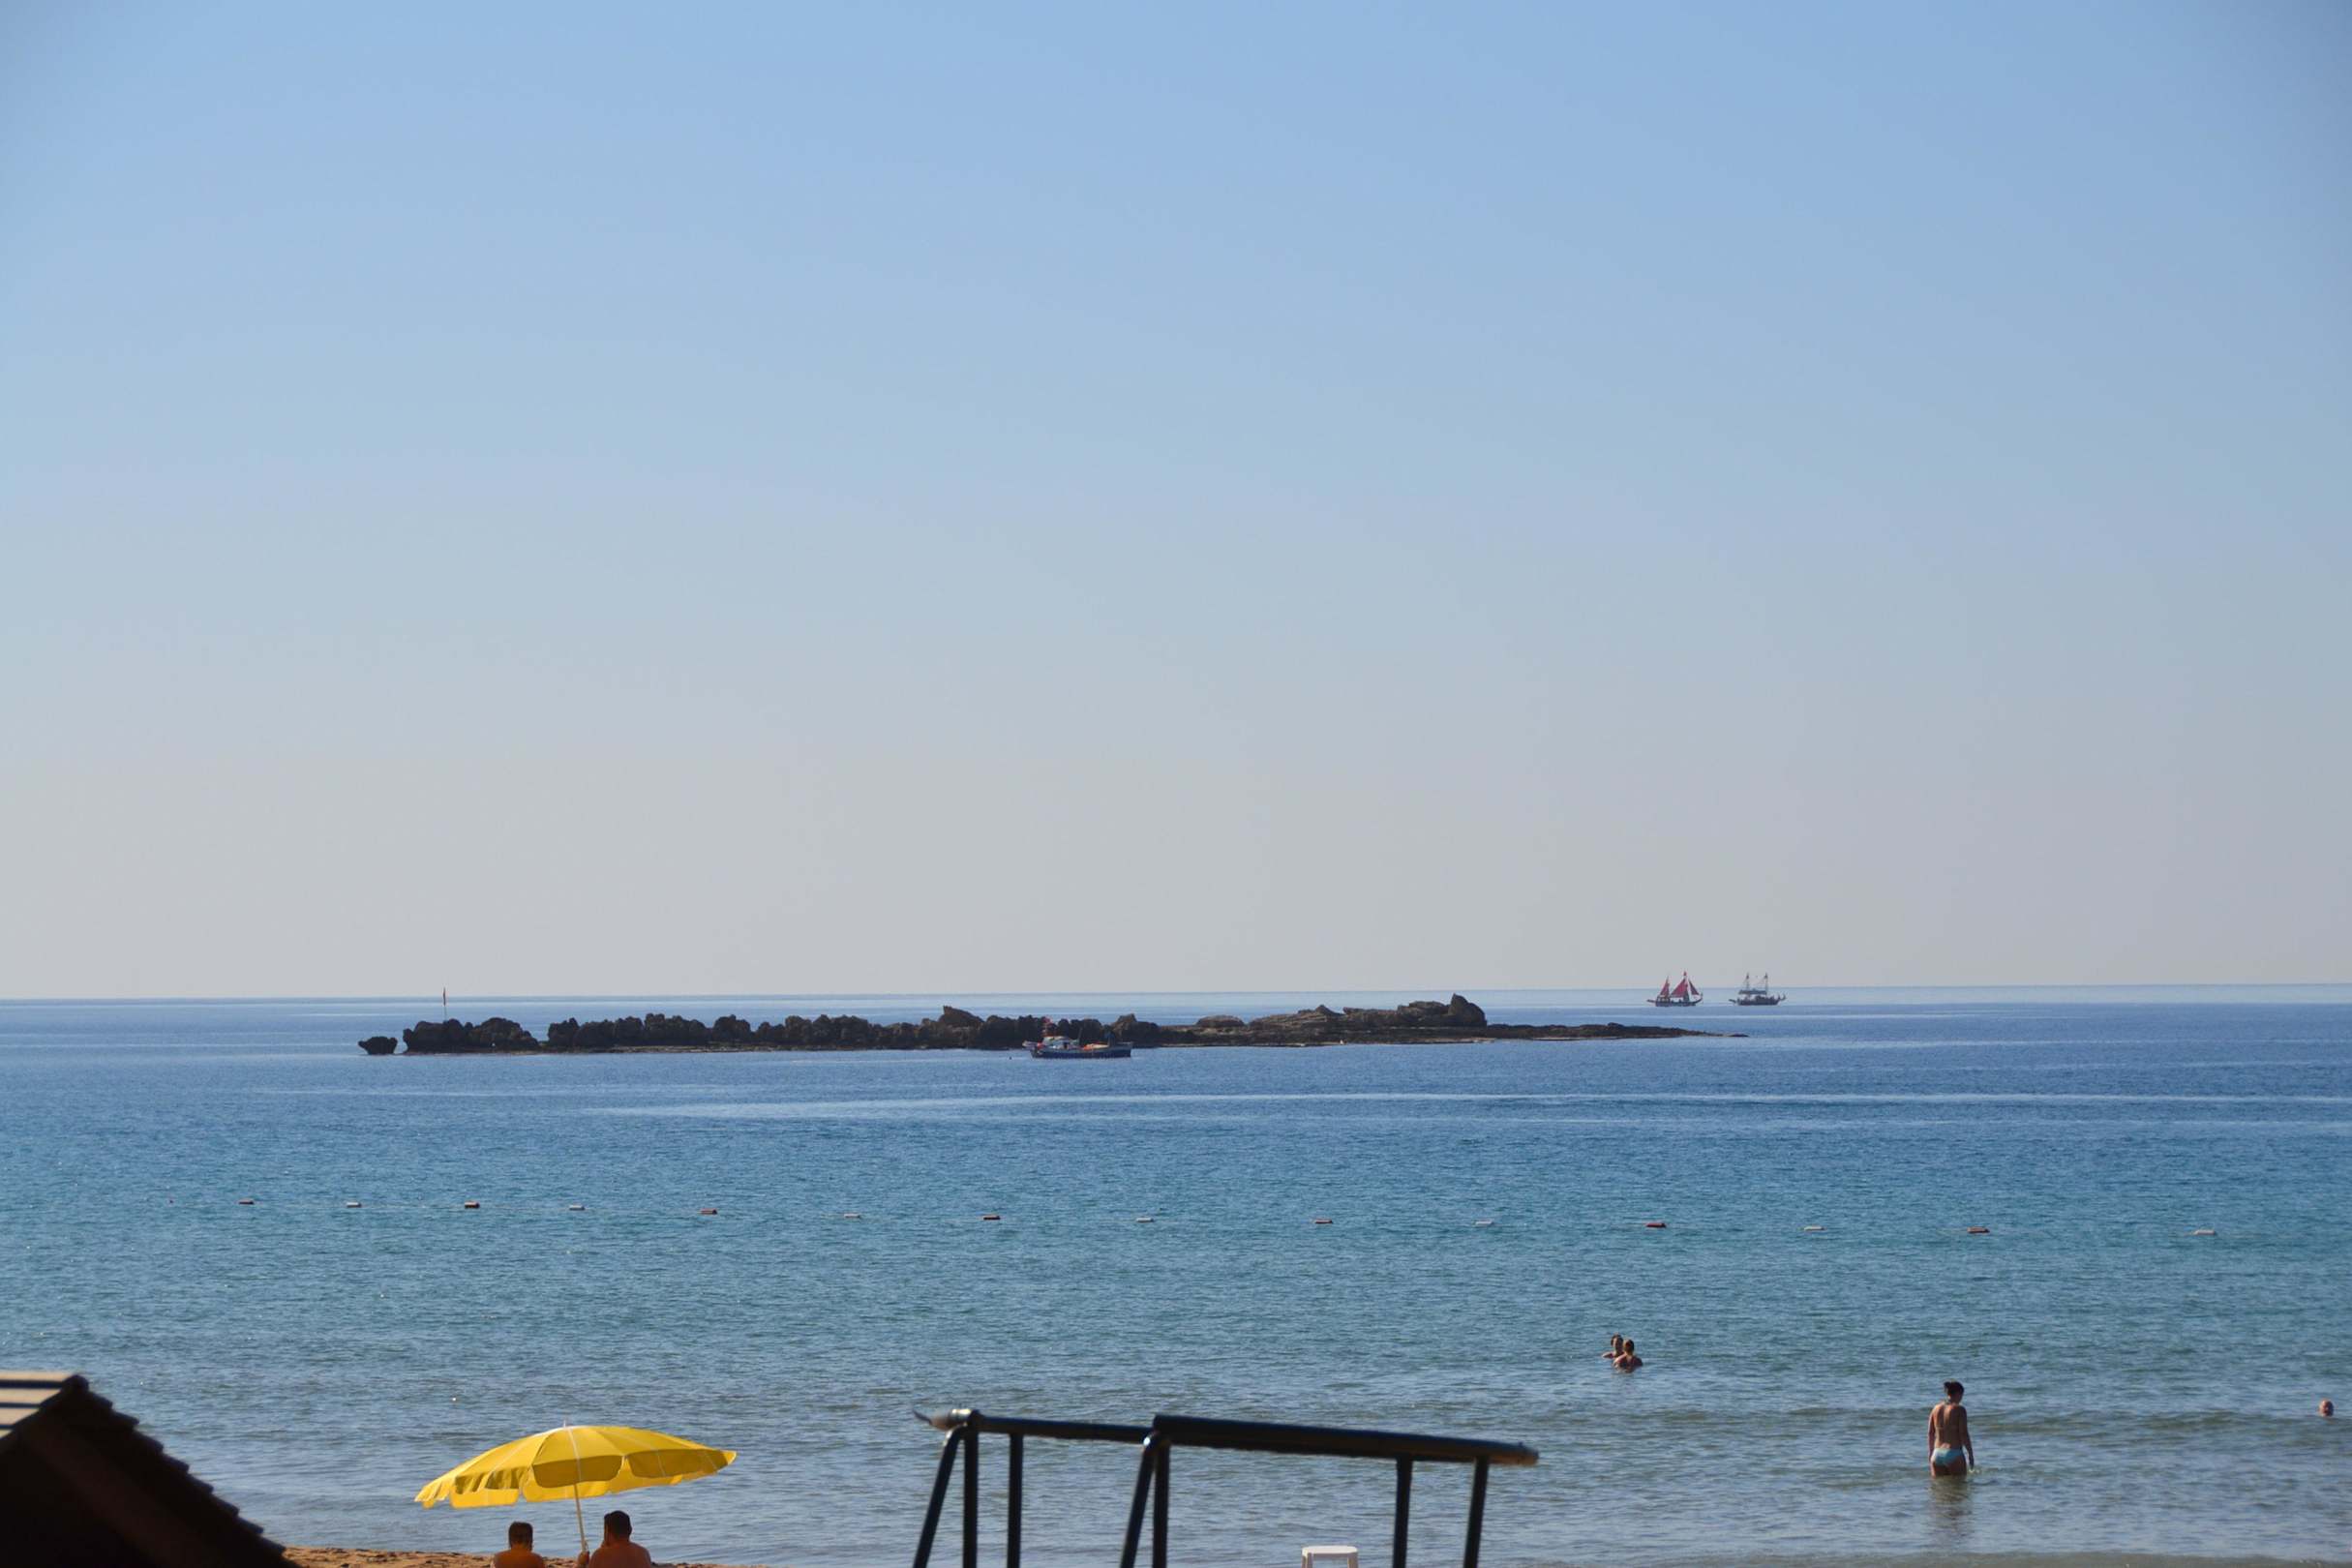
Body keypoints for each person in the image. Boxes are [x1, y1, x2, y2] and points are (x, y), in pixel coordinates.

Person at [579, 1509, 654, 1568]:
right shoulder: (644, 1553)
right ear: (630, 1530)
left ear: (607, 1532)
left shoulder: (600, 1556)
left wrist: (581, 1564)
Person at [1929, 1380, 1975, 1476]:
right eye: (1962, 1395)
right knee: (1960, 1485)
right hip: (1954, 1453)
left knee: (1939, 1485)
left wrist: (1930, 1453)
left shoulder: (1935, 1408)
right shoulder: (1959, 1409)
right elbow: (1963, 1433)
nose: (1961, 1398)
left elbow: (1930, 1433)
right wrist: (1970, 1454)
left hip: (1937, 1453)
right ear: (1958, 1393)